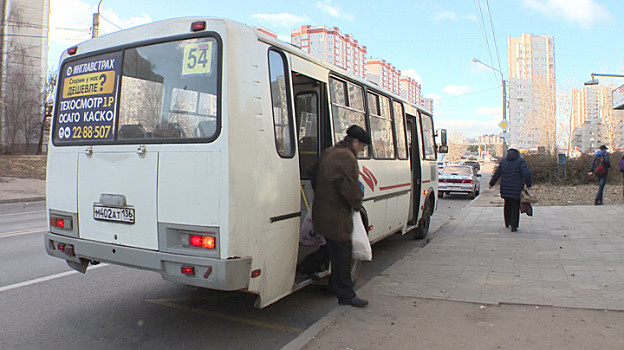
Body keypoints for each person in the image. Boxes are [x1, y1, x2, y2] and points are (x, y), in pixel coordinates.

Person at [311, 125, 370, 308]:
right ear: (355, 142)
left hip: (323, 211)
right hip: (337, 215)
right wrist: (357, 203)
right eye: (362, 146)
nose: (362, 150)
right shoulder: (347, 157)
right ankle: (346, 295)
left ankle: (318, 274)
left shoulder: (330, 151)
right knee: (342, 256)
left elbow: (313, 173)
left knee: (333, 249)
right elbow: (350, 188)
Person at [488, 145, 532, 232]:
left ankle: (507, 222)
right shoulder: (520, 161)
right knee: (515, 206)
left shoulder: (504, 161)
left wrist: (491, 183)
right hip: (517, 188)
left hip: (505, 187)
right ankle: (514, 226)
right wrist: (528, 184)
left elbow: (497, 173)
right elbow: (527, 173)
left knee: (507, 204)